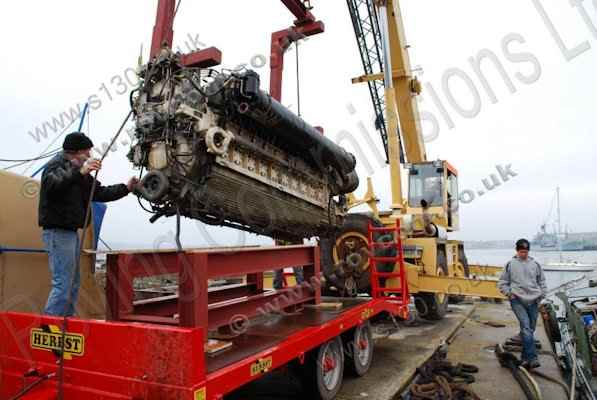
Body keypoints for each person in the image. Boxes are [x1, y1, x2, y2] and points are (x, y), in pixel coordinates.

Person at [38, 132, 138, 316]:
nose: (90, 154)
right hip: (57, 233)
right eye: (87, 151)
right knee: (63, 283)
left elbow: (99, 192)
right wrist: (81, 171)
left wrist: (126, 188)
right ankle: (50, 329)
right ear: (75, 152)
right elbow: (52, 185)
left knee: (72, 283)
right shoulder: (56, 166)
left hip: (69, 233)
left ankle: (65, 325)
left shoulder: (79, 173)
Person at [498, 238, 547, 369]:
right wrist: (509, 293)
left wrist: (542, 295)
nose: (523, 254)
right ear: (517, 251)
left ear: (528, 251)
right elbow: (502, 282)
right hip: (517, 300)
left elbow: (542, 281)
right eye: (521, 251)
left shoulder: (535, 264)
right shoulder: (510, 264)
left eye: (525, 251)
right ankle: (532, 358)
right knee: (526, 327)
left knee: (530, 329)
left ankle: (525, 358)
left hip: (534, 300)